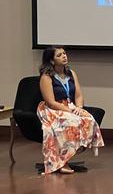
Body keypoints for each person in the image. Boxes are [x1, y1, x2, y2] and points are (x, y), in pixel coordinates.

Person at [37, 46, 104, 174]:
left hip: (70, 106)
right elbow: (50, 102)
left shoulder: (71, 73)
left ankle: (72, 152)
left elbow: (78, 95)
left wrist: (79, 108)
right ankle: (61, 162)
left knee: (88, 119)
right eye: (59, 55)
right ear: (51, 60)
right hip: (53, 108)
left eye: (64, 53)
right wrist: (69, 110)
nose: (64, 56)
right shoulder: (46, 77)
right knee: (67, 123)